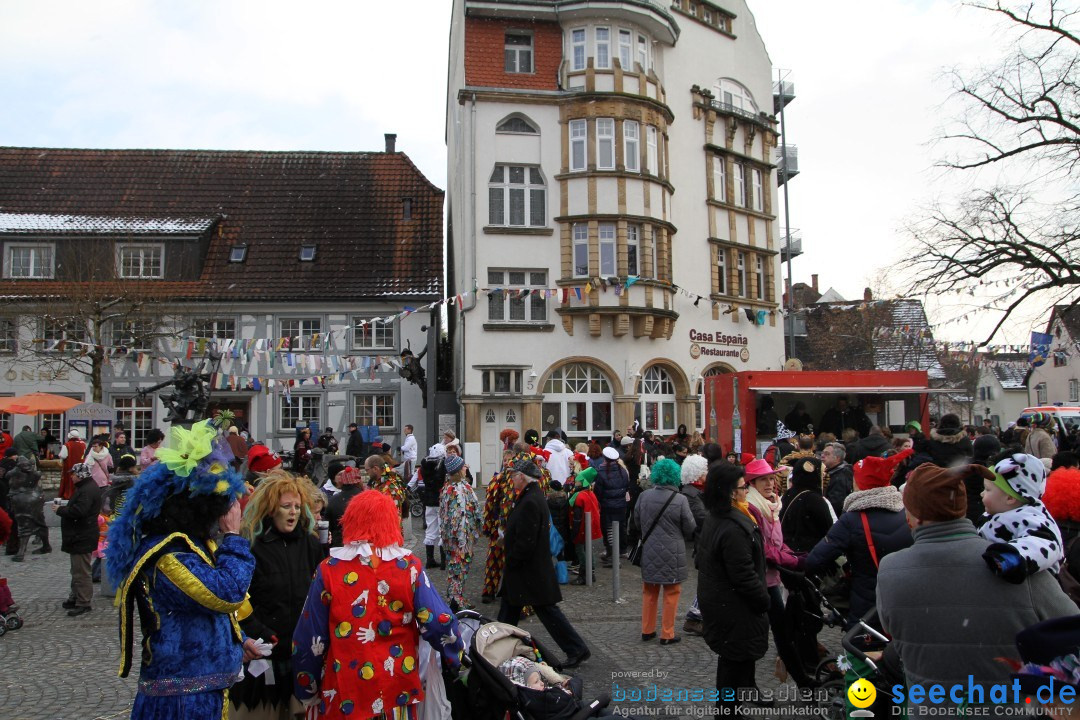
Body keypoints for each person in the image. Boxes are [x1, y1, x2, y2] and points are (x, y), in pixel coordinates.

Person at [876, 462, 1077, 702]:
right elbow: (1070, 626)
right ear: (961, 507)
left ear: (915, 516)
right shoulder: (1015, 562)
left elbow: (895, 631)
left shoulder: (890, 569)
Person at [105, 419, 255, 719]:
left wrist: (239, 641)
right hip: (181, 699)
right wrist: (233, 538)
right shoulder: (168, 555)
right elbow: (226, 594)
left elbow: (209, 612)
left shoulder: (190, 545)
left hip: (203, 690)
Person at [290, 490, 464, 718]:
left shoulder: (329, 569)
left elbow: (309, 637)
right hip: (398, 688)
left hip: (346, 691)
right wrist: (455, 658)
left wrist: (306, 687)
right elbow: (440, 622)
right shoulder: (409, 566)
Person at [231, 471, 324, 720]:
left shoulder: (311, 545)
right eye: (286, 506)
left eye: (296, 506)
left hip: (301, 654)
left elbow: (321, 595)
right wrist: (258, 632)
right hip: (265, 653)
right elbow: (239, 599)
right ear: (272, 509)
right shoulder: (252, 547)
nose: (293, 512)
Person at [498, 459, 591, 668]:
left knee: (546, 611)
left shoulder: (531, 500)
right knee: (511, 610)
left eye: (514, 475)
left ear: (522, 477)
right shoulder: (530, 496)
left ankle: (577, 648)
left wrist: (513, 558)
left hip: (529, 569)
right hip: (528, 569)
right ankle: (498, 647)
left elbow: (527, 539)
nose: (511, 479)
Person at [806, 449, 914, 626]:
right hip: (903, 600)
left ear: (859, 482)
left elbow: (815, 561)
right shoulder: (908, 514)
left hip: (866, 604)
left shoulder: (852, 519)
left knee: (863, 649)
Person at [697, 461, 770, 712]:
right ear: (730, 492)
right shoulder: (732, 527)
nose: (746, 491)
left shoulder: (719, 518)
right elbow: (742, 574)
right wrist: (763, 599)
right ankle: (728, 713)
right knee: (732, 664)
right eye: (742, 487)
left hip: (724, 603)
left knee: (735, 660)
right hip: (733, 606)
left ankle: (735, 706)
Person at [743, 459, 811, 687]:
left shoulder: (772, 504)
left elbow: (778, 543)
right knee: (756, 635)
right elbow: (764, 548)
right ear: (752, 483)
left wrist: (796, 556)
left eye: (771, 478)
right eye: (763, 479)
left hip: (771, 579)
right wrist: (793, 560)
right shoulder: (752, 508)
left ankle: (803, 682)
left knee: (782, 633)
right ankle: (749, 687)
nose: (770, 483)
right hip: (758, 579)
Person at [632, 458, 696, 645]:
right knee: (671, 591)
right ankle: (667, 633)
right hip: (672, 551)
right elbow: (690, 527)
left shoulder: (644, 496)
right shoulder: (681, 499)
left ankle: (647, 629)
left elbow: (637, 521)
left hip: (650, 549)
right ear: (676, 476)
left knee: (649, 591)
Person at [979, 453, 1064, 582]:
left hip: (1034, 588)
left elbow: (1045, 543)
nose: (982, 493)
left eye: (987, 490)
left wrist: (1010, 558)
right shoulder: (994, 514)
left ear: (1010, 498)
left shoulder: (1031, 517)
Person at [52, 462, 103, 616]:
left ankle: (83, 602)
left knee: (81, 571)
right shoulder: (86, 487)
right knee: (77, 569)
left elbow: (80, 511)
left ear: (81, 475)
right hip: (80, 535)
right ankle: (75, 597)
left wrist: (60, 510)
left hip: (82, 535)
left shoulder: (86, 490)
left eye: (73, 474)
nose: (71, 477)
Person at [439, 453, 481, 611]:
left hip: (451, 537)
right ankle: (456, 600)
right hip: (460, 538)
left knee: (455, 568)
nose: (466, 467)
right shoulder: (460, 489)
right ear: (458, 470)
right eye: (463, 466)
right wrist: (464, 538)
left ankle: (455, 597)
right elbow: (461, 514)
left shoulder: (447, 488)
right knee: (459, 567)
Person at [679, 454, 709, 636]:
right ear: (697, 474)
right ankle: (694, 617)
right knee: (707, 582)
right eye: (705, 470)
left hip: (704, 542)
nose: (707, 473)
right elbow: (702, 519)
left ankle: (695, 616)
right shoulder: (691, 494)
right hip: (702, 543)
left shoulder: (698, 492)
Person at [7, 455, 50, 560]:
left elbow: (8, 475)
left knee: (24, 523)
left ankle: (21, 552)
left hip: (25, 500)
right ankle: (46, 545)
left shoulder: (21, 472)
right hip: (33, 498)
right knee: (39, 522)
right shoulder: (30, 473)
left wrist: (20, 468)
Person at [594, 446, 630, 565]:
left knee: (608, 529)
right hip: (621, 505)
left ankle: (612, 555)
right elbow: (626, 486)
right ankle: (618, 551)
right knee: (619, 528)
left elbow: (598, 491)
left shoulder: (601, 472)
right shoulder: (623, 471)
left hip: (607, 505)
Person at [569, 467, 603, 585]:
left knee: (580, 550)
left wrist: (574, 533)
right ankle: (591, 572)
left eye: (578, 480)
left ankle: (584, 574)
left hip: (582, 528)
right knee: (588, 549)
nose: (576, 482)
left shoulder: (579, 496)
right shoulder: (590, 494)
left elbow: (577, 517)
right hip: (589, 526)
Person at [415, 444, 447, 569]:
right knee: (442, 529)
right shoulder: (442, 464)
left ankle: (430, 559)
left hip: (428, 500)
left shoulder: (425, 465)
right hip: (440, 500)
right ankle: (443, 562)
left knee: (430, 529)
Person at [324, 465, 365, 548]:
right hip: (364, 546)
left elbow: (328, 527)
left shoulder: (333, 500)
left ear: (342, 482)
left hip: (340, 546)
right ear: (358, 481)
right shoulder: (368, 498)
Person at [822, 441, 854, 516]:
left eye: (827, 454)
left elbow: (836, 504)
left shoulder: (841, 476)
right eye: (822, 453)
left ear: (837, 458)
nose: (822, 456)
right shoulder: (829, 472)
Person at [58, 429, 87, 500]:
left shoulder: (67, 444)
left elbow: (63, 455)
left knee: (70, 481)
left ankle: (69, 494)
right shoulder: (83, 444)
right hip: (81, 467)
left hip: (70, 467)